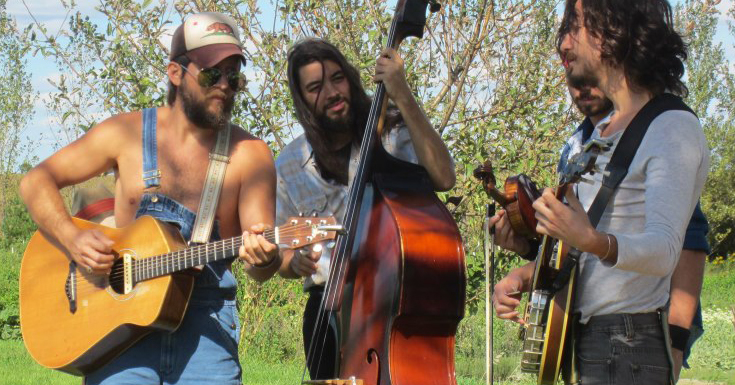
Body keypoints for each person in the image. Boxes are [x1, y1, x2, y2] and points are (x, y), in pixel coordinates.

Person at [20, 12, 279, 385]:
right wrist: (72, 237)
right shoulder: (125, 133)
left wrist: (265, 256)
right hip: (119, 333)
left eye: (233, 75)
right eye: (210, 73)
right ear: (175, 73)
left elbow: (261, 267)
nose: (224, 85)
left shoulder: (251, 155)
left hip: (206, 331)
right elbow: (36, 181)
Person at [491, 1, 709, 384]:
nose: (563, 43)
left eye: (576, 26)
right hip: (588, 340)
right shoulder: (600, 133)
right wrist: (523, 274)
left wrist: (591, 239)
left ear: (614, 30)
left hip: (627, 347)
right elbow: (582, 259)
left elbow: (664, 251)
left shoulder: (671, 127)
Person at [274, 38, 456, 379]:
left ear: (351, 78)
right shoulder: (288, 165)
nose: (331, 92)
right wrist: (292, 262)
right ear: (302, 100)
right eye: (315, 87)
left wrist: (402, 94)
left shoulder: (393, 132)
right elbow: (282, 256)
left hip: (397, 304)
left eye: (337, 78)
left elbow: (444, 177)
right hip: (326, 310)